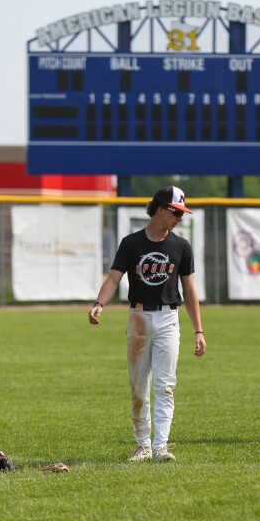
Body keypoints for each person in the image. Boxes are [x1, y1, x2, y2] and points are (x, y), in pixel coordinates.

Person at [89, 186, 206, 462]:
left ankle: (160, 446)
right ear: (161, 209)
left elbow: (189, 290)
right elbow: (114, 278)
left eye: (182, 213)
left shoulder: (181, 246)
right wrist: (99, 303)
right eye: (176, 212)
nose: (180, 217)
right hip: (139, 318)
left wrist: (198, 330)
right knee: (138, 386)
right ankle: (142, 445)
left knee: (165, 385)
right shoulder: (131, 243)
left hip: (168, 318)